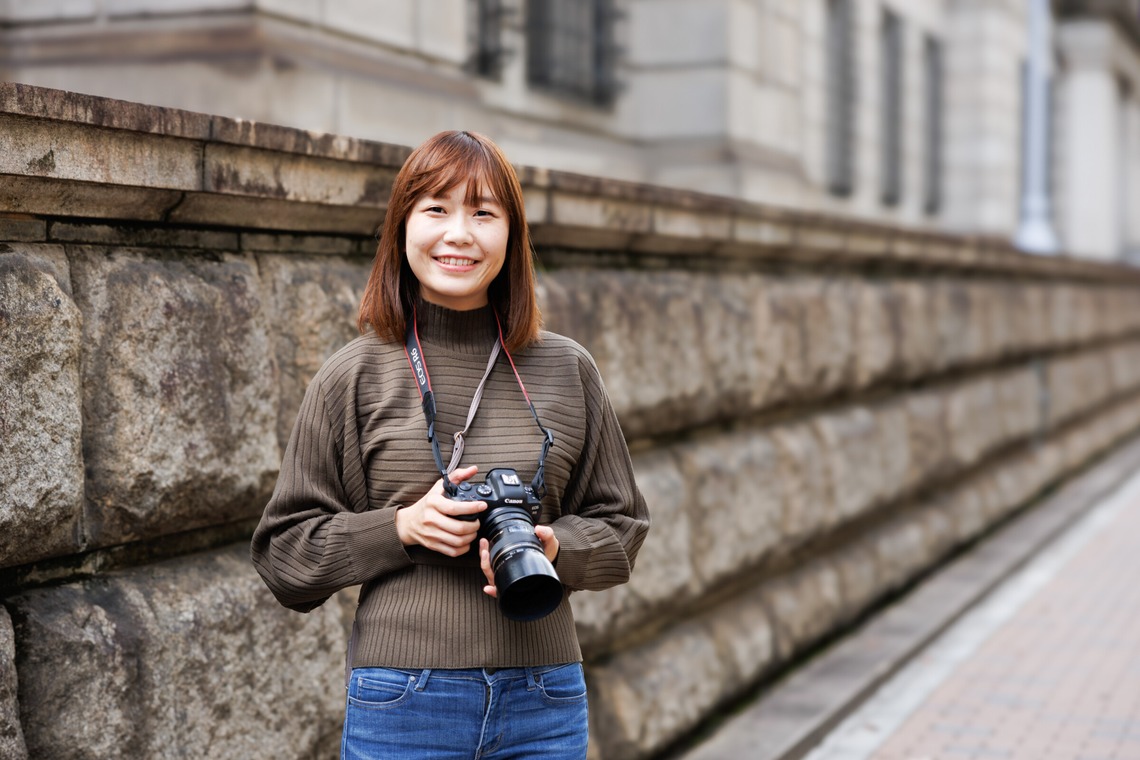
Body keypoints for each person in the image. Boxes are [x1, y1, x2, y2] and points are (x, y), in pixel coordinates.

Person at [251, 130, 650, 759]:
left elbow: (623, 525)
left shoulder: (566, 368)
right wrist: (403, 528)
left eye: (483, 212)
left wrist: (555, 545)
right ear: (402, 226)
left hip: (544, 696)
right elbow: (283, 556)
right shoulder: (354, 375)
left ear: (512, 237)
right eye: (436, 208)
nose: (459, 234)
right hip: (403, 700)